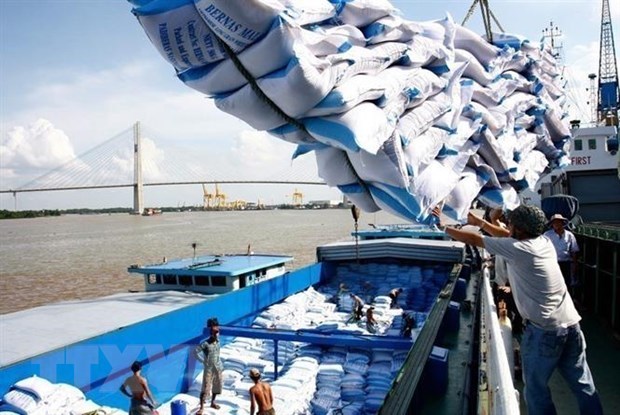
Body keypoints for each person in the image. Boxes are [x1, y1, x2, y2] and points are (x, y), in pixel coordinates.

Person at [434, 205, 603, 415]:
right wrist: (480, 223)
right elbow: (505, 234)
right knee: (582, 383)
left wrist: (443, 227)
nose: (509, 226)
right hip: (571, 326)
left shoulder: (518, 249)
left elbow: (476, 240)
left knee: (536, 389)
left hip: (544, 331)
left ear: (521, 230)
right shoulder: (544, 242)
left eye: (513, 223)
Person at [194, 319, 224, 413]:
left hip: (218, 367)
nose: (217, 334)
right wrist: (203, 361)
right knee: (206, 388)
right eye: (215, 333)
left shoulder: (218, 342)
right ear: (211, 333)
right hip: (209, 369)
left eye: (217, 333)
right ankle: (202, 407)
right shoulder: (205, 344)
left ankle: (213, 402)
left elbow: (217, 330)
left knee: (217, 386)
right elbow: (195, 352)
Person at [544, 213, 580, 289]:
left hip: (566, 263)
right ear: (552, 224)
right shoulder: (547, 235)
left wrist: (575, 264)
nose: (556, 224)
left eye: (558, 222)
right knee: (553, 284)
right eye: (554, 222)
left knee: (567, 284)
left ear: (562, 223)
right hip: (552, 263)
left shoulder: (569, 235)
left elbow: (574, 251)